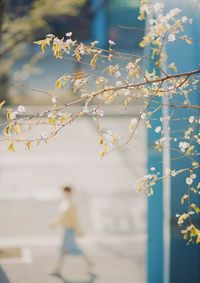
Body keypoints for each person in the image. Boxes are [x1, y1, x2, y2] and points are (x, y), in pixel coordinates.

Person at [50, 186, 92, 277]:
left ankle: (88, 264)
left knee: (74, 249)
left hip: (69, 230)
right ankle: (57, 269)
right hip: (67, 229)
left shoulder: (71, 204)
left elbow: (73, 219)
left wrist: (79, 231)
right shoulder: (66, 202)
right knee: (64, 250)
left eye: (67, 191)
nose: (65, 193)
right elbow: (63, 216)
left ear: (70, 192)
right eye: (65, 191)